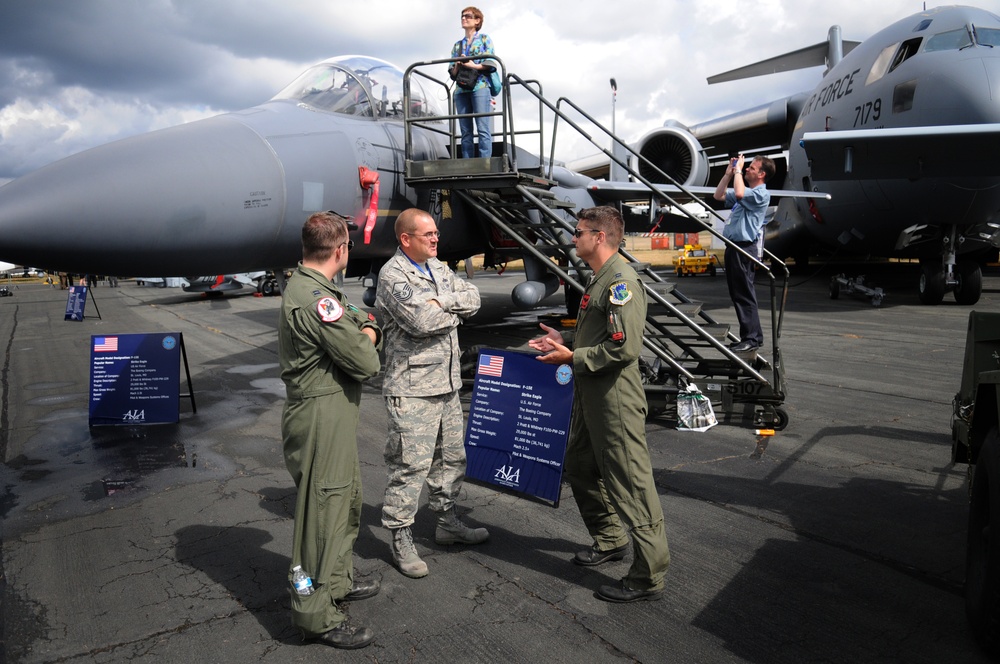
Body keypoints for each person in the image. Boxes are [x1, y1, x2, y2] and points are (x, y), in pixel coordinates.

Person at [528, 206, 670, 603]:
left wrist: (570, 358)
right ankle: (609, 538)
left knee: (632, 486)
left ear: (600, 236)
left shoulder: (621, 281)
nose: (574, 239)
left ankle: (648, 576)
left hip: (615, 404)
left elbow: (624, 348)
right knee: (579, 466)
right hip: (592, 399)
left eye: (579, 232)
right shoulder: (599, 278)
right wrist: (564, 340)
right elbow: (599, 336)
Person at [277, 211, 383, 650]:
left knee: (343, 501)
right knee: (321, 516)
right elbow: (365, 361)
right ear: (341, 251)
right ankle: (314, 615)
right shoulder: (316, 299)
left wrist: (360, 322)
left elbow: (352, 314)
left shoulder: (316, 289)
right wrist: (371, 331)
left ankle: (337, 583)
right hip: (321, 415)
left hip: (331, 413)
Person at [376, 208, 487, 579]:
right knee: (410, 466)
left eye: (436, 233)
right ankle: (400, 536)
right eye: (428, 235)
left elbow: (474, 297)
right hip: (412, 389)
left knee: (451, 460)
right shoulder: (393, 275)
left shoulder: (438, 267)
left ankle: (447, 522)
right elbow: (422, 322)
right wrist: (451, 310)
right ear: (406, 239)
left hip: (447, 384)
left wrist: (446, 303)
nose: (436, 239)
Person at [713, 153, 775, 353]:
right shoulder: (747, 192)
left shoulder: (760, 194)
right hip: (734, 248)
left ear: (762, 174)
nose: (748, 169)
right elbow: (719, 195)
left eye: (752, 168)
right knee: (738, 294)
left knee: (744, 295)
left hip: (743, 248)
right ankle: (748, 337)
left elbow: (739, 194)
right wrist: (728, 175)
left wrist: (738, 170)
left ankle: (752, 338)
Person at [449, 6, 495, 159]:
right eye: (462, 16)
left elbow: (491, 63)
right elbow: (452, 74)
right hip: (461, 89)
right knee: (465, 130)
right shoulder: (457, 45)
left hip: (480, 86)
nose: (464, 18)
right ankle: (467, 163)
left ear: (477, 21)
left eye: (468, 16)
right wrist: (458, 63)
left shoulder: (484, 39)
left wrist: (473, 65)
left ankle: (485, 163)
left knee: (482, 127)